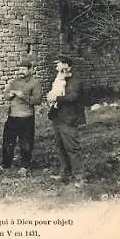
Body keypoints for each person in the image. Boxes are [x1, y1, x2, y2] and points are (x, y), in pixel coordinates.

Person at [47, 56, 86, 187]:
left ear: (67, 66)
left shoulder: (76, 81)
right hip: (57, 117)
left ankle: (79, 177)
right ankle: (64, 174)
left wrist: (56, 97)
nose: (57, 68)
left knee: (72, 148)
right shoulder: (59, 80)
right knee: (61, 147)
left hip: (69, 119)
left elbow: (73, 97)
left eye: (59, 65)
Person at [1, 59, 42, 175]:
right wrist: (8, 95)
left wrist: (23, 96)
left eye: (24, 69)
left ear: (30, 70)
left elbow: (37, 100)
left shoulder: (35, 83)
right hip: (12, 116)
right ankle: (6, 163)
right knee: (8, 140)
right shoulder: (14, 82)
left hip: (26, 117)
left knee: (26, 142)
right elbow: (6, 95)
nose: (21, 71)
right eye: (20, 69)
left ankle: (25, 165)